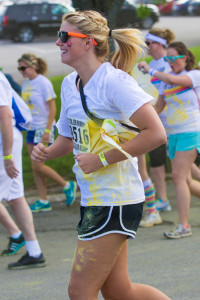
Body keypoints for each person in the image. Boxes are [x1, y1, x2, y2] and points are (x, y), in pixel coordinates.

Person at [31, 10, 170, 299]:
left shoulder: (114, 82)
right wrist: (46, 153)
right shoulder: (70, 84)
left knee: (80, 291)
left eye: (64, 36)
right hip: (95, 198)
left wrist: (101, 159)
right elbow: (68, 140)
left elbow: (155, 133)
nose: (59, 43)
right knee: (120, 292)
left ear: (89, 42)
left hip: (116, 199)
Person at [139, 41, 200, 239]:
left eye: (173, 58)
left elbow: (176, 81)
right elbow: (158, 107)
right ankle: (183, 224)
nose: (170, 62)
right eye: (167, 59)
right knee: (186, 180)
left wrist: (151, 71)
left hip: (191, 131)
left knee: (178, 177)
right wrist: (136, 119)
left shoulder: (193, 76)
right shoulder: (167, 81)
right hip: (173, 134)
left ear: (184, 57)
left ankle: (184, 225)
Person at [17, 53, 77, 211]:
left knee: (38, 165)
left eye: (23, 67)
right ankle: (43, 200)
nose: (21, 71)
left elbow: (53, 107)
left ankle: (67, 185)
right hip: (31, 128)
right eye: (19, 68)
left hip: (43, 127)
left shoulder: (43, 82)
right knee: (35, 165)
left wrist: (48, 129)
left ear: (33, 66)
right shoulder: (25, 84)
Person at [0, 70, 46, 269]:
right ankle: (34, 251)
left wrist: (8, 155)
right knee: (16, 197)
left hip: (4, 145)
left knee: (15, 197)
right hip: (6, 145)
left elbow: (5, 115)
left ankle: (22, 240)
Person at [138, 28, 175, 227]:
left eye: (150, 42)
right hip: (157, 123)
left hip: (174, 123)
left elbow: (169, 90)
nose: (147, 46)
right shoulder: (150, 64)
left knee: (186, 168)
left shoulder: (168, 64)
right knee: (157, 165)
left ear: (160, 43)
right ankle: (162, 200)